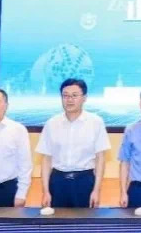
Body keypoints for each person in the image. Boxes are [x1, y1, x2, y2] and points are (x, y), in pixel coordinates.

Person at [37, 78, 110, 208]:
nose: (69, 99)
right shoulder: (51, 123)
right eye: (65, 95)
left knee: (85, 219)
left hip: (84, 181)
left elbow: (100, 158)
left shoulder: (95, 122)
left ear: (84, 98)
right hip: (58, 181)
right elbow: (46, 159)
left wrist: (96, 190)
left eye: (74, 95)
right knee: (57, 219)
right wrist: (46, 191)